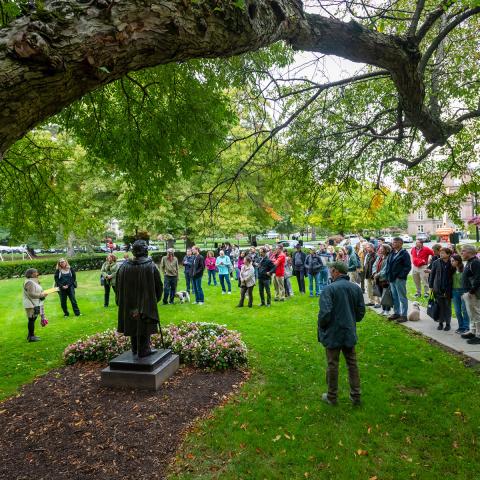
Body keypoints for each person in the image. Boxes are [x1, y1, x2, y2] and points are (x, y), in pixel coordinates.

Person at [318, 261, 365, 406]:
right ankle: (356, 395)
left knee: (333, 364)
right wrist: (351, 320)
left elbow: (325, 313)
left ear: (337, 272)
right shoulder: (355, 288)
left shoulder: (329, 289)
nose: (330, 273)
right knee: (352, 364)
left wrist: (322, 327)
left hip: (333, 332)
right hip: (348, 330)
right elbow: (360, 312)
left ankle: (332, 397)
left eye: (332, 271)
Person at [116, 240, 163, 357]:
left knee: (133, 321)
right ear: (145, 251)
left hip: (129, 302)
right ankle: (144, 350)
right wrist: (154, 299)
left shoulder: (124, 266)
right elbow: (159, 286)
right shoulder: (150, 265)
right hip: (145, 301)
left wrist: (121, 300)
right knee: (144, 323)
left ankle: (135, 348)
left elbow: (118, 285)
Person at [385, 237, 411, 323]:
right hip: (391, 278)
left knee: (402, 297)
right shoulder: (392, 253)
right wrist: (388, 276)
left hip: (399, 279)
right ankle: (397, 313)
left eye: (395, 242)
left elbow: (407, 267)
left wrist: (400, 276)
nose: (393, 244)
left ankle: (404, 315)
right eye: (393, 242)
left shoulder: (404, 254)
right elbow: (388, 265)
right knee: (395, 297)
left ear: (400, 243)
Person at [429, 247, 454, 331]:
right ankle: (440, 323)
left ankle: (448, 324)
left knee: (447, 306)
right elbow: (432, 275)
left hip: (448, 289)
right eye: (440, 253)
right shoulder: (436, 262)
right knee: (440, 306)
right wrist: (431, 286)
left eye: (443, 253)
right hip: (438, 288)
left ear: (448, 254)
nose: (441, 254)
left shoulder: (452, 262)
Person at [460, 244, 480, 344]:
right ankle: (472, 331)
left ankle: (479, 335)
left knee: (476, 314)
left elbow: (478, 278)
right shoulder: (469, 262)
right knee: (471, 314)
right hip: (468, 293)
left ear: (469, 252)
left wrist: (471, 291)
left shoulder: (475, 262)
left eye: (463, 251)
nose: (461, 253)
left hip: (473, 293)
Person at [23, 268, 48, 342]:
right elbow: (31, 294)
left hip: (34, 303)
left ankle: (30, 335)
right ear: (31, 274)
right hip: (30, 304)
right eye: (35, 272)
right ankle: (31, 337)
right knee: (31, 320)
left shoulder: (32, 281)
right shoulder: (29, 282)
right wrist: (42, 295)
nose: (37, 273)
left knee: (32, 320)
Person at [451, 254, 470, 334]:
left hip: (463, 291)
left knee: (464, 310)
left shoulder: (464, 269)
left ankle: (466, 327)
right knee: (457, 311)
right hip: (454, 292)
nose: (451, 262)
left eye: (453, 261)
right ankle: (460, 326)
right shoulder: (451, 270)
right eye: (451, 261)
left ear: (457, 261)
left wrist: (466, 292)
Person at [372, 244, 392, 316]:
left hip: (385, 279)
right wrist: (374, 273)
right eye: (380, 248)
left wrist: (378, 274)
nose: (380, 250)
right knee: (381, 295)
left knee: (386, 295)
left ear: (386, 250)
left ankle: (387, 310)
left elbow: (386, 269)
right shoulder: (379, 257)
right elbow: (374, 265)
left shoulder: (388, 258)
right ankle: (383, 309)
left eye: (382, 248)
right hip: (378, 279)